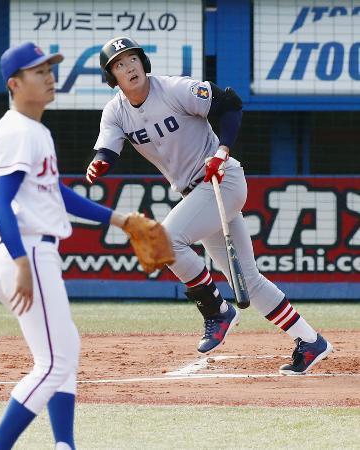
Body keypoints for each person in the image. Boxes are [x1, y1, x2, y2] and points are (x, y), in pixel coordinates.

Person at [86, 36, 333, 375]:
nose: (128, 67)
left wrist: (222, 151)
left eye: (132, 59)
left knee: (165, 239)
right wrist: (99, 163)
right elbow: (108, 149)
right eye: (119, 64)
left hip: (222, 180)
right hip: (197, 194)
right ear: (112, 76)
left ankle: (216, 311)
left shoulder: (173, 89)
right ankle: (309, 341)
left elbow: (229, 102)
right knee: (248, 280)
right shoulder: (116, 111)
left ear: (143, 62)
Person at [0, 42, 138, 450]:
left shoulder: (34, 130)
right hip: (26, 250)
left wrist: (119, 219)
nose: (50, 76)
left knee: (63, 350)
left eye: (50, 68)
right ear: (15, 84)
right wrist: (20, 262)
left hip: (31, 251)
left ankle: (63, 444)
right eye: (39, 72)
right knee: (55, 363)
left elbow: (57, 194)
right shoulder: (19, 131)